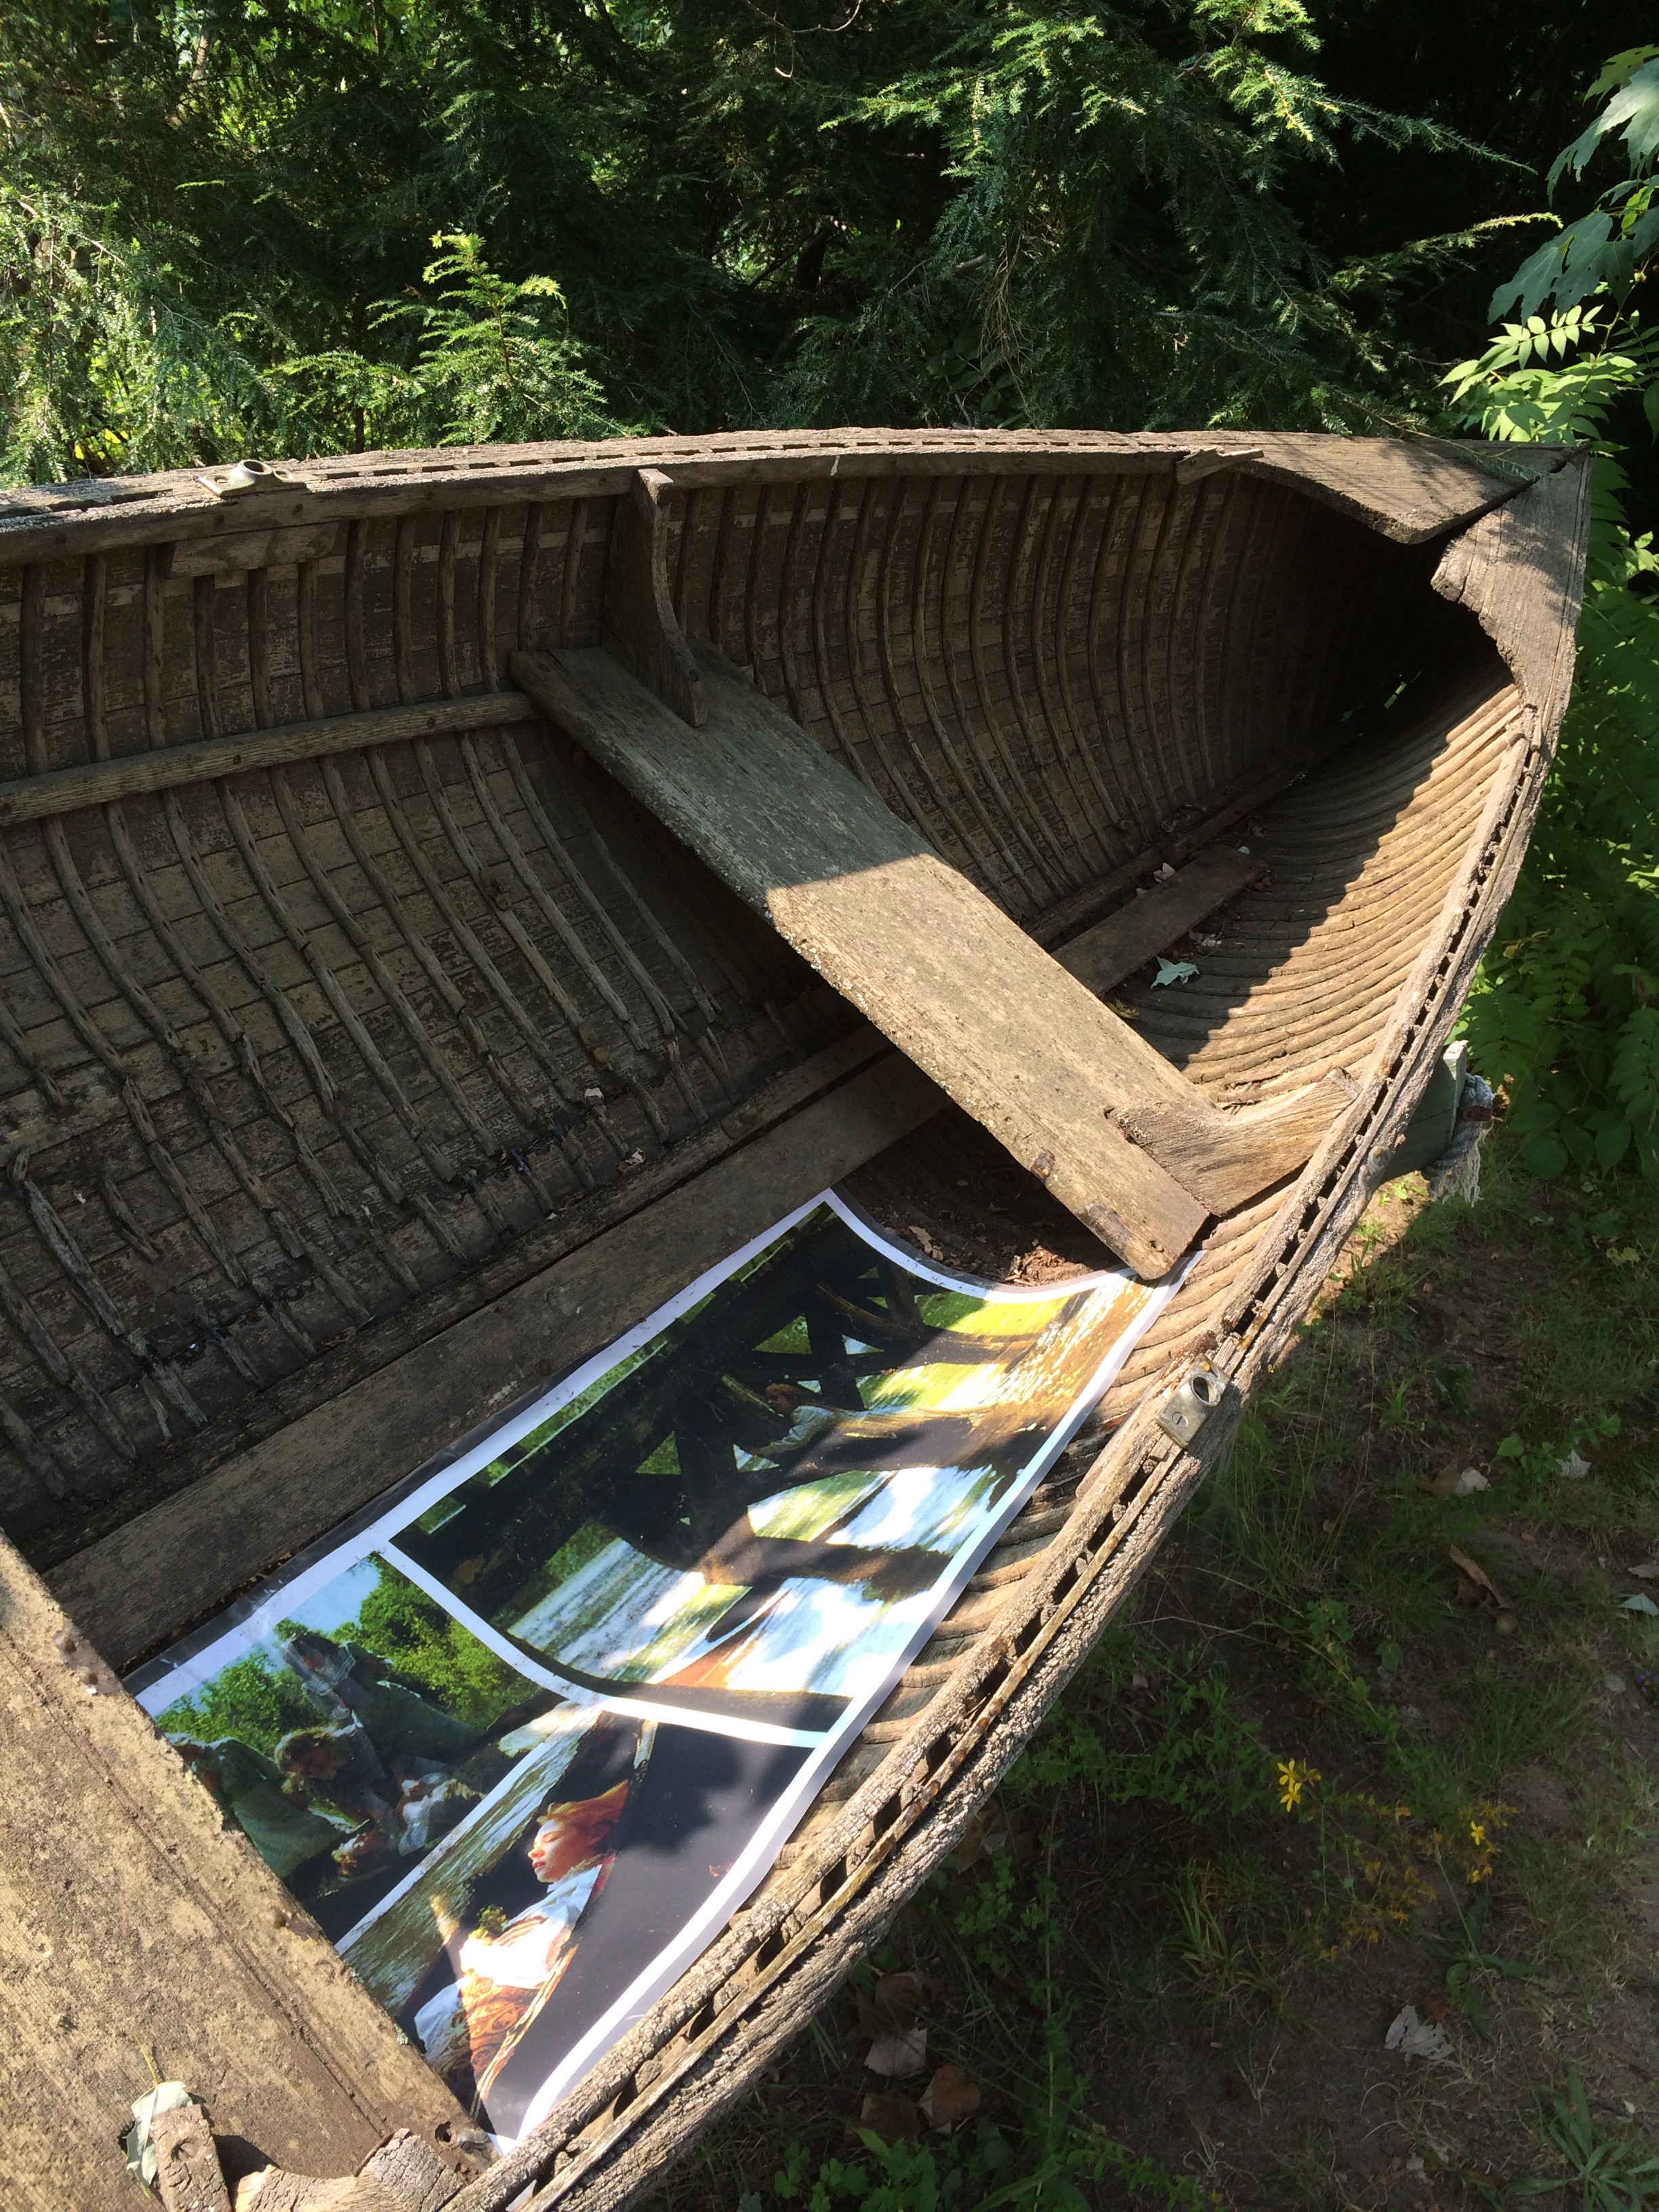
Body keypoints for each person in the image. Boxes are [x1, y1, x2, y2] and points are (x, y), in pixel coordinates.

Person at [413, 1778, 630, 2099]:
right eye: (535, 1843)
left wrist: (477, 1955)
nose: (533, 1851)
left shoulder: (585, 1888)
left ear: (596, 1834)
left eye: (551, 1839)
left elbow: (540, 1963)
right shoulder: (567, 1891)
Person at [169, 1734, 348, 1881]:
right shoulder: (198, 1774)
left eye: (184, 1750)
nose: (188, 1756)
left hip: (271, 1799)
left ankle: (349, 1853)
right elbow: (221, 1810)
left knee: (317, 1830)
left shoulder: (228, 1746)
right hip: (252, 1819)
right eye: (183, 1757)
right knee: (286, 1857)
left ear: (187, 1742)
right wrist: (214, 1790)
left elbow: (268, 1767)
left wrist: (291, 1790)